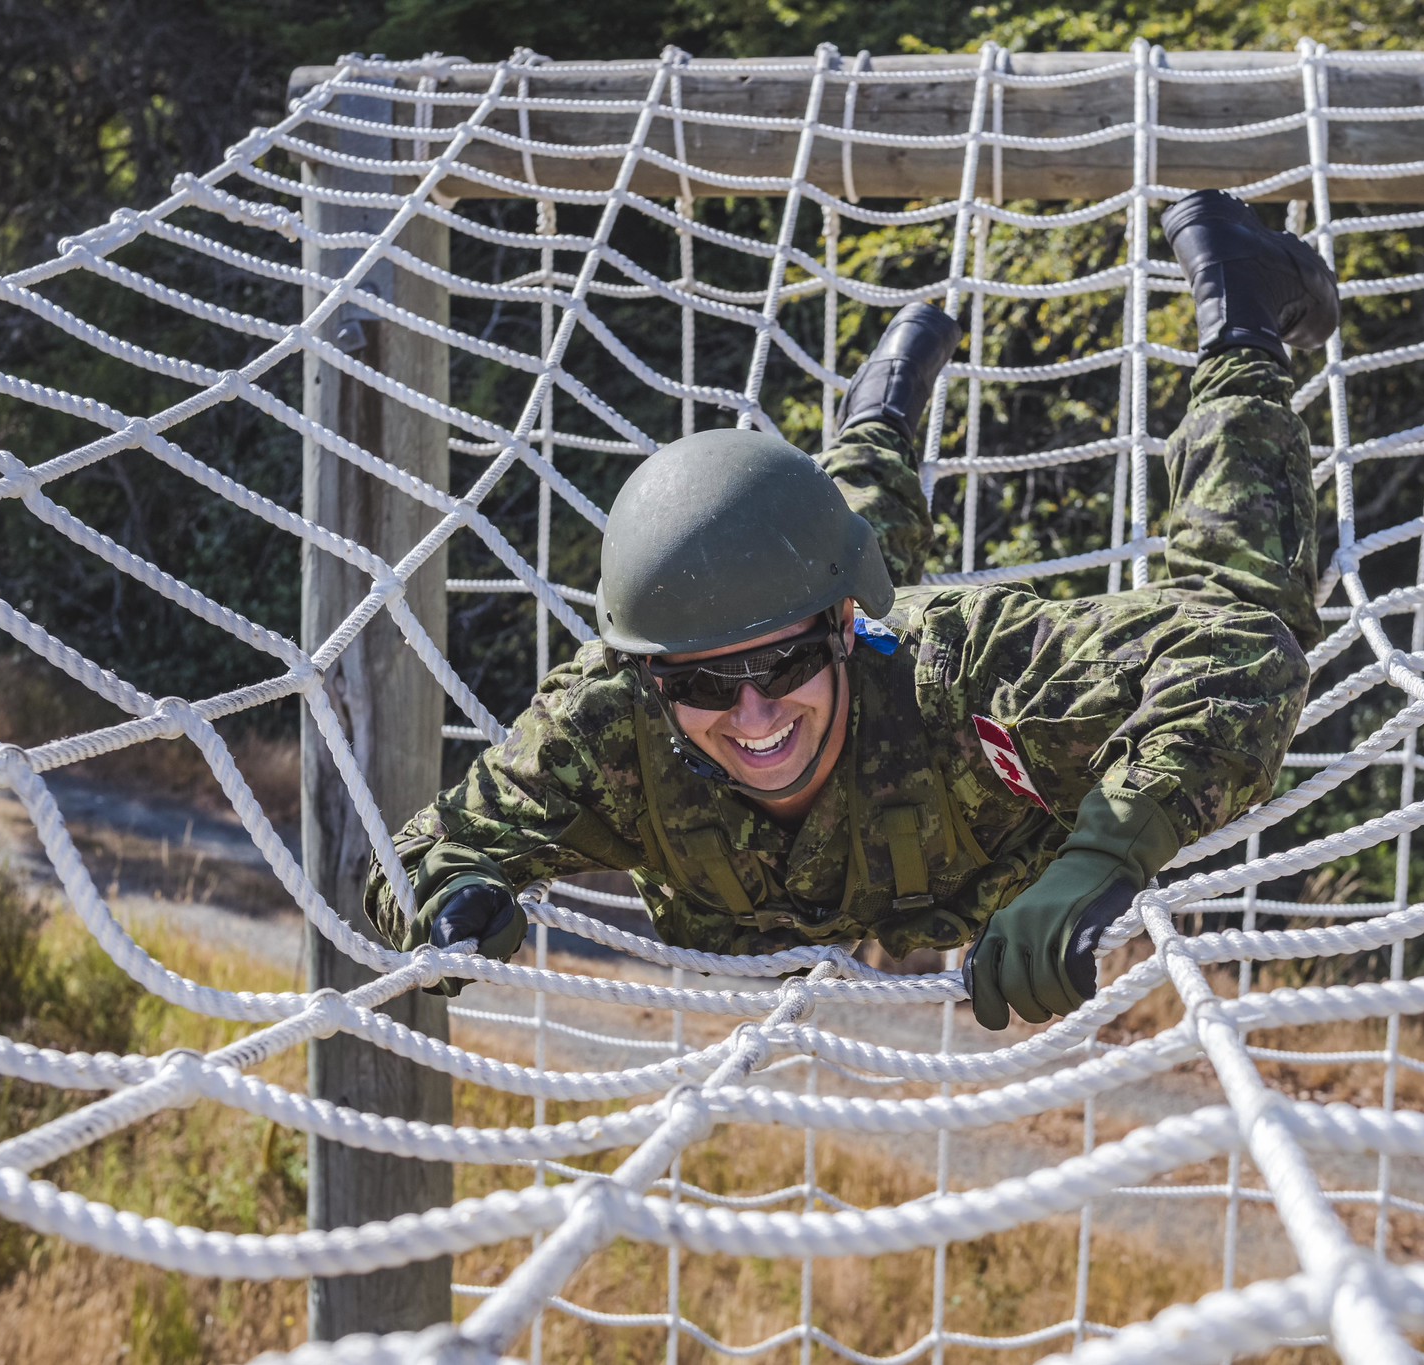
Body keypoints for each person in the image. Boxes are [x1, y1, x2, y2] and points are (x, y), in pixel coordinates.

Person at [365, 189, 1336, 1031]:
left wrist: (1103, 856)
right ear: (650, 679)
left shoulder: (965, 676)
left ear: (844, 633)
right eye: (703, 682)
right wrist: (457, 897)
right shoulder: (608, 723)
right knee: (813, 548)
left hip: (949, 748)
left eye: (781, 667)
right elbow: (420, 855)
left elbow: (1237, 645)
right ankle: (879, 413)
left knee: (1240, 578)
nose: (751, 716)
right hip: (815, 689)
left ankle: (1240, 308)